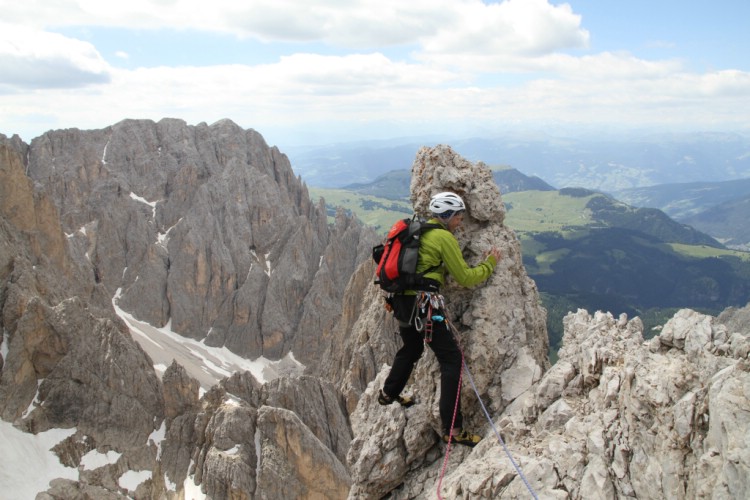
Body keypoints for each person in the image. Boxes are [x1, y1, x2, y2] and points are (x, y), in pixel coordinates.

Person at [378, 191, 502, 447]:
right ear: (447, 216)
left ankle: (388, 393)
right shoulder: (443, 237)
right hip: (424, 306)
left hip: (400, 301)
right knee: (451, 359)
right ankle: (453, 429)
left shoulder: (418, 232)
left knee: (411, 348)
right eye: (458, 216)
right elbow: (466, 278)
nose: (461, 222)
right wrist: (489, 264)